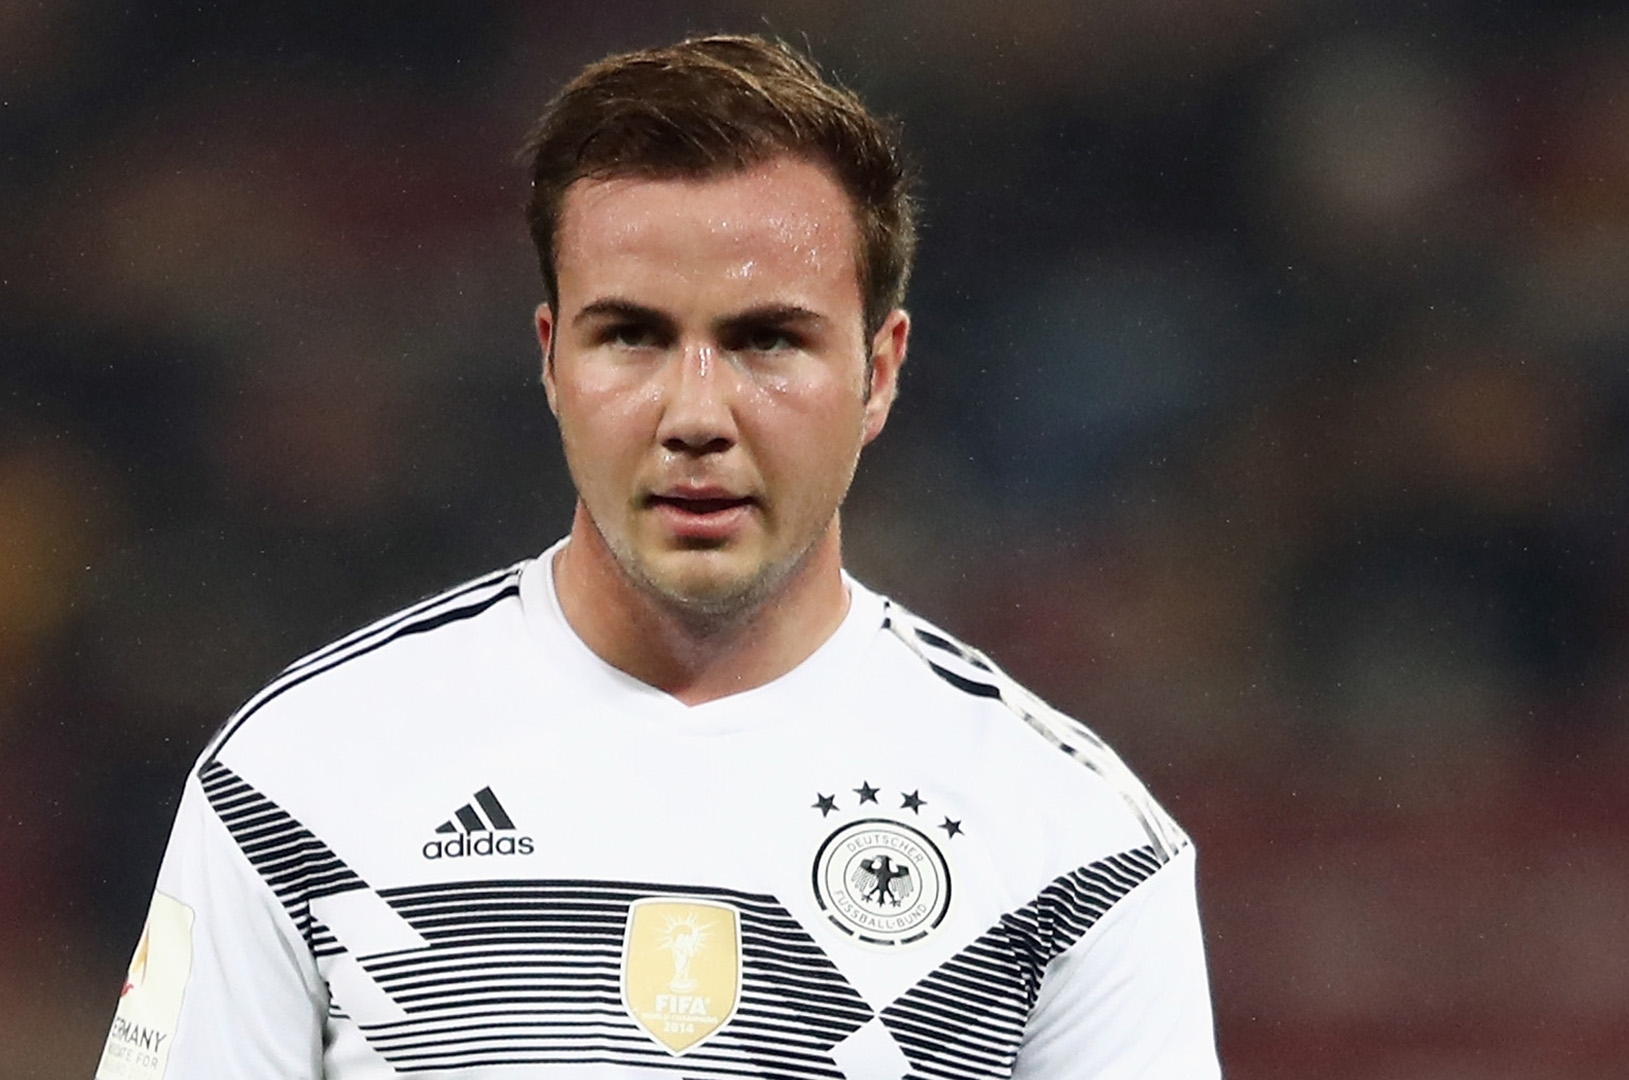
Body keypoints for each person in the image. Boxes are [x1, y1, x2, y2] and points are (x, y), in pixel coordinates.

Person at [95, 33, 1220, 1080]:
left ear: (879, 373)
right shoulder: (296, 781)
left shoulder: (1074, 845)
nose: (696, 415)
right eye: (631, 335)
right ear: (551, 361)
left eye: (766, 340)